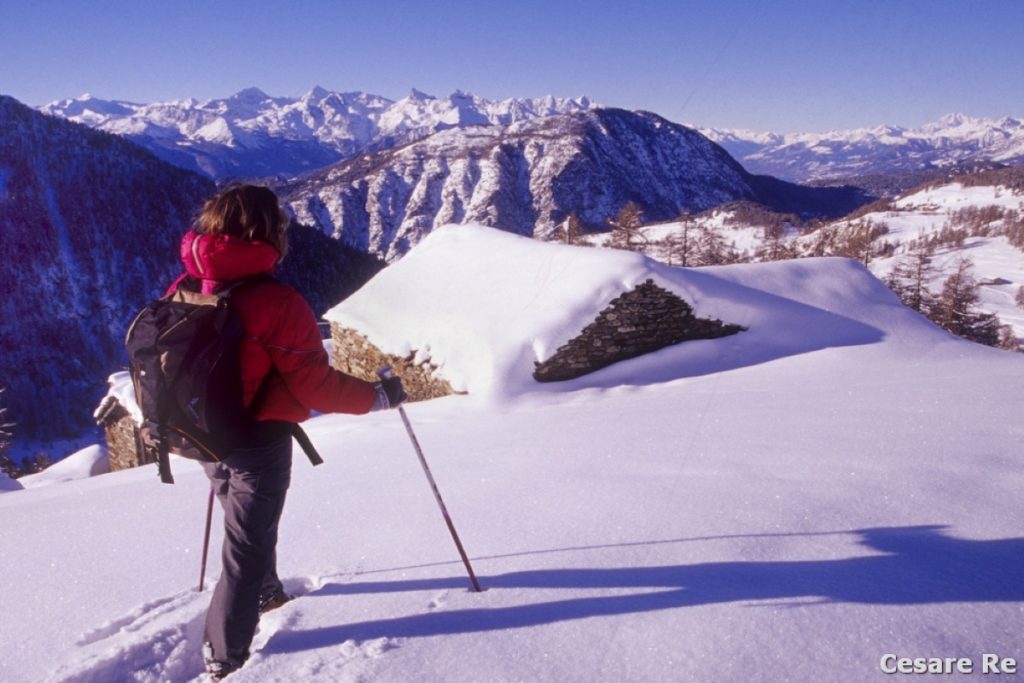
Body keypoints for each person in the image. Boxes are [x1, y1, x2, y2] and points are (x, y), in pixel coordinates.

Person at [168, 184, 406, 679]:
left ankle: (268, 593)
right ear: (266, 231)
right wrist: (379, 397)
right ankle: (224, 656)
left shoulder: (185, 286)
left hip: (206, 438)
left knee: (248, 532)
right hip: (258, 442)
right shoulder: (277, 302)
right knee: (245, 549)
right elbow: (317, 386)